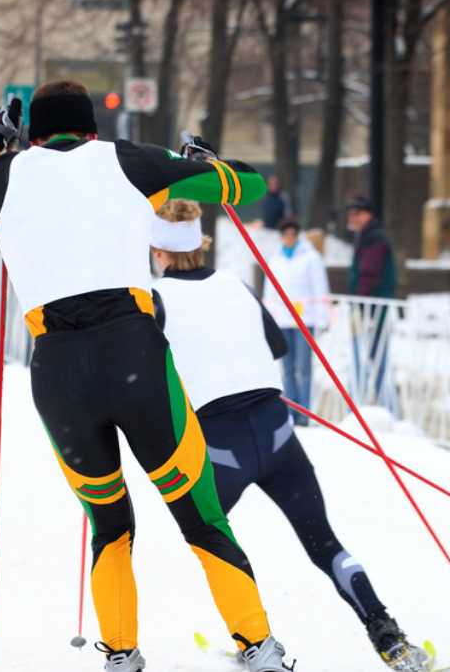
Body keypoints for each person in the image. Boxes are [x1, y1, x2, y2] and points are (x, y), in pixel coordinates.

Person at [0, 81, 296, 672]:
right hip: (135, 358)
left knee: (109, 526)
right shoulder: (127, 158)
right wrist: (202, 162)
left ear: (32, 135)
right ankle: (258, 647)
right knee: (200, 515)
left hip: (59, 374)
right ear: (91, 131)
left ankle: (121, 656)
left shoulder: (3, 178)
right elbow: (248, 185)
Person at [149, 202, 430, 672]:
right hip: (277, 433)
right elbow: (277, 345)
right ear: (201, 244)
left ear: (159, 250)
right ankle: (389, 637)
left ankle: (256, 642)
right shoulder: (235, 285)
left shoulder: (155, 300)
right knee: (325, 544)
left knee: (208, 538)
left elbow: (152, 378)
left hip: (222, 448)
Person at [263, 219, 330, 423]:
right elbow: (270, 291)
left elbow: (319, 287)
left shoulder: (311, 258)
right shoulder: (275, 259)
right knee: (288, 367)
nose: (289, 238)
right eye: (286, 234)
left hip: (304, 318)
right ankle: (291, 409)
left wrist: (322, 318)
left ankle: (305, 412)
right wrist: (269, 319)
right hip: (283, 319)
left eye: (292, 233)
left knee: (304, 367)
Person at [347, 196, 398, 414]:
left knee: (374, 357)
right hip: (370, 306)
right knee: (370, 355)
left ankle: (380, 406)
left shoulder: (374, 239)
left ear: (368, 214)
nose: (353, 218)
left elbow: (369, 274)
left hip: (372, 307)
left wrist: (359, 305)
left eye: (357, 213)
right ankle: (371, 403)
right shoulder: (367, 236)